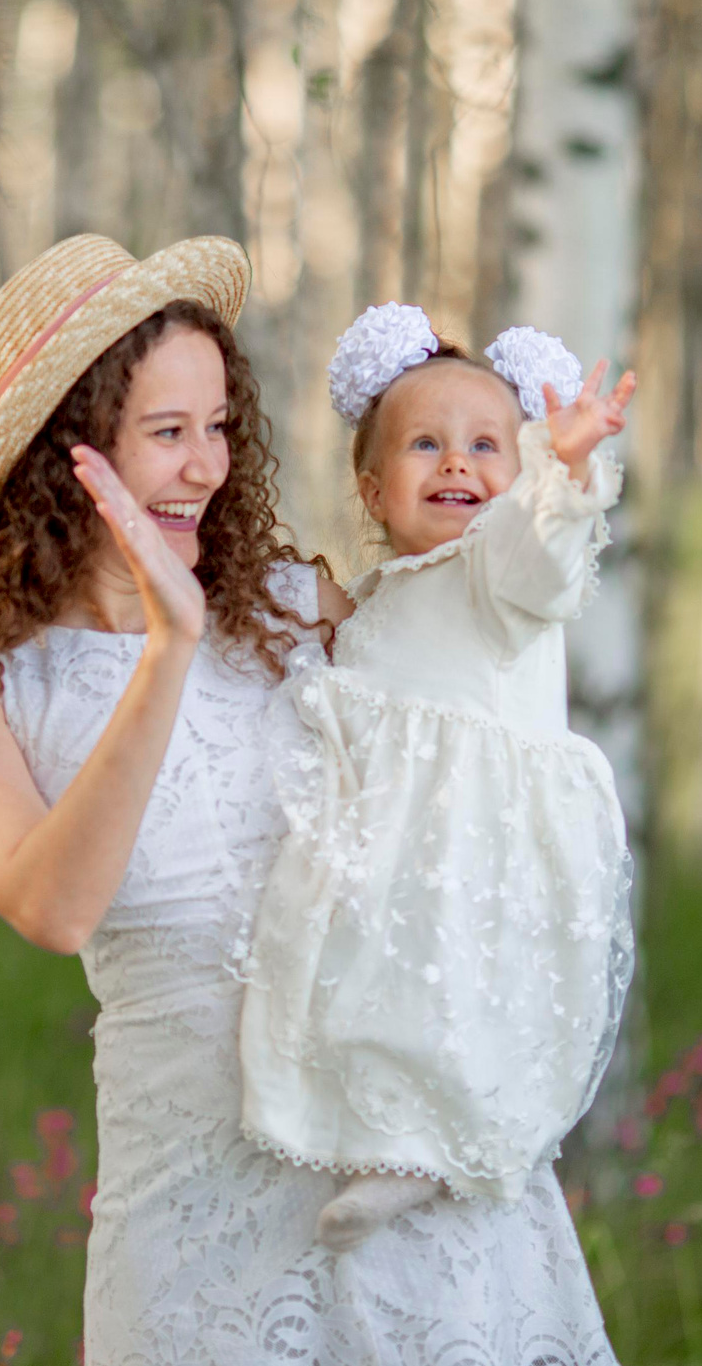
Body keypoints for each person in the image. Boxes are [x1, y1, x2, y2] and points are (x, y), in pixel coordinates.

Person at [0, 236, 636, 1366]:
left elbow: (478, 729)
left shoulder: (302, 602)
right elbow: (55, 906)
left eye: (219, 423)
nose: (208, 463)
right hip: (195, 1227)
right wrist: (166, 644)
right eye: (167, 428)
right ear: (68, 449)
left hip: (399, 1184)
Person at [236, 305, 638, 1254]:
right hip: (389, 829)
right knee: (368, 970)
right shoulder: (384, 593)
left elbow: (544, 560)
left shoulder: (498, 568)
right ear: (373, 490)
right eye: (427, 444)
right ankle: (365, 1122)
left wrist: (564, 471)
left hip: (473, 829)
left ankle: (426, 1150)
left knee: (458, 982)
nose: (458, 463)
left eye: (488, 446)